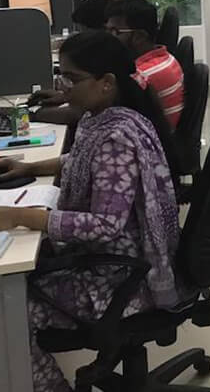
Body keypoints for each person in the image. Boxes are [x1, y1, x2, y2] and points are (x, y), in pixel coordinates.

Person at [0, 32, 181, 392]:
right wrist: (30, 168)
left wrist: (21, 216)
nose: (63, 88)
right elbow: (81, 159)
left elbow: (105, 226)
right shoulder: (100, 119)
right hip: (106, 260)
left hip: (117, 278)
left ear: (106, 83)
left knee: (7, 314)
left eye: (71, 78)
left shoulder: (116, 137)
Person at [106, 0, 186, 130]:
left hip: (153, 139)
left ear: (139, 36)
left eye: (115, 32)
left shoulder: (142, 75)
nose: (107, 38)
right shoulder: (166, 57)